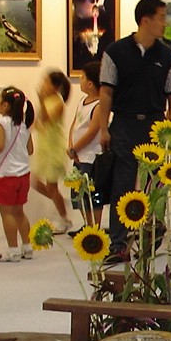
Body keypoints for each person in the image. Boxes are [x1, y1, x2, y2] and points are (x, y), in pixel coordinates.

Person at [97, 0, 171, 261]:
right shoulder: (115, 52)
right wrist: (103, 129)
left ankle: (151, 239)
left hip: (155, 125)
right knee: (121, 185)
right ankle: (118, 245)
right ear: (146, 20)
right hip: (123, 123)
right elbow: (106, 92)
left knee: (155, 184)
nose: (165, 24)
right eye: (161, 17)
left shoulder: (167, 56)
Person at [0, 87, 35, 263]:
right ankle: (27, 247)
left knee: (7, 213)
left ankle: (13, 250)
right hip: (23, 174)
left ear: (5, 105)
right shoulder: (24, 125)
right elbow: (30, 150)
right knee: (19, 211)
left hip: (6, 175)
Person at [31, 70, 73, 233]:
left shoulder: (58, 103)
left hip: (54, 149)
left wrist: (41, 100)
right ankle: (60, 202)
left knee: (51, 186)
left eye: (46, 82)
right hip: (44, 149)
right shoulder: (47, 101)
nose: (42, 85)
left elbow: (46, 118)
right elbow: (38, 122)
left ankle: (65, 219)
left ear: (55, 87)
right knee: (35, 182)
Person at [68, 59, 106, 231]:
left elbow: (92, 132)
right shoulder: (82, 101)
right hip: (78, 156)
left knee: (92, 193)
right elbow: (74, 125)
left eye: (82, 78)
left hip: (91, 157)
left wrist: (75, 148)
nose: (80, 80)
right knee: (78, 194)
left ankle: (95, 227)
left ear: (90, 83)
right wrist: (71, 146)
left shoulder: (99, 106)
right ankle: (87, 224)